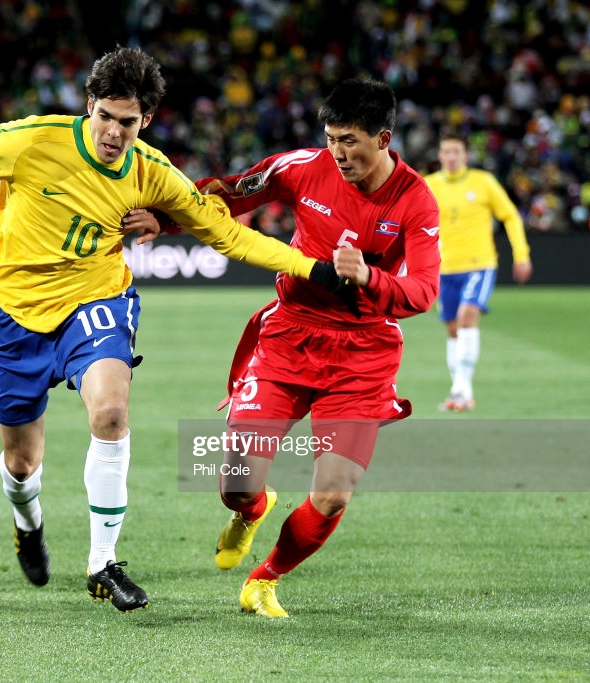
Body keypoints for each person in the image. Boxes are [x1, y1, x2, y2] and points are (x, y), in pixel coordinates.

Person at [0, 47, 343, 613]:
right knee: (22, 464)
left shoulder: (154, 172)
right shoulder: (32, 139)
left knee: (111, 413)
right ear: (88, 105)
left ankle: (103, 563)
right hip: (11, 314)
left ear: (144, 121)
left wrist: (312, 268)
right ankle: (28, 523)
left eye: (128, 122)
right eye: (105, 117)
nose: (113, 133)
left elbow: (230, 236)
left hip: (94, 301)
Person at [197, 78, 441, 617]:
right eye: (331, 138)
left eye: (350, 140)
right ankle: (250, 511)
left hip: (363, 354)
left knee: (332, 496)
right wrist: (161, 218)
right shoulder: (303, 166)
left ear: (383, 137)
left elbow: (424, 291)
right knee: (238, 481)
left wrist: (371, 279)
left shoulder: (416, 202)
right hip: (291, 334)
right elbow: (226, 193)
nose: (338, 152)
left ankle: (265, 579)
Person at [424, 132, 532, 412]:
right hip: (443, 268)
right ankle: (462, 391)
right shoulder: (428, 185)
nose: (451, 157)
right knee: (452, 328)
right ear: (439, 156)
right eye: (446, 151)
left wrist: (522, 255)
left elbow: (510, 215)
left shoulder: (483, 183)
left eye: (456, 151)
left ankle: (460, 390)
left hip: (479, 264)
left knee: (466, 317)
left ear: (465, 155)